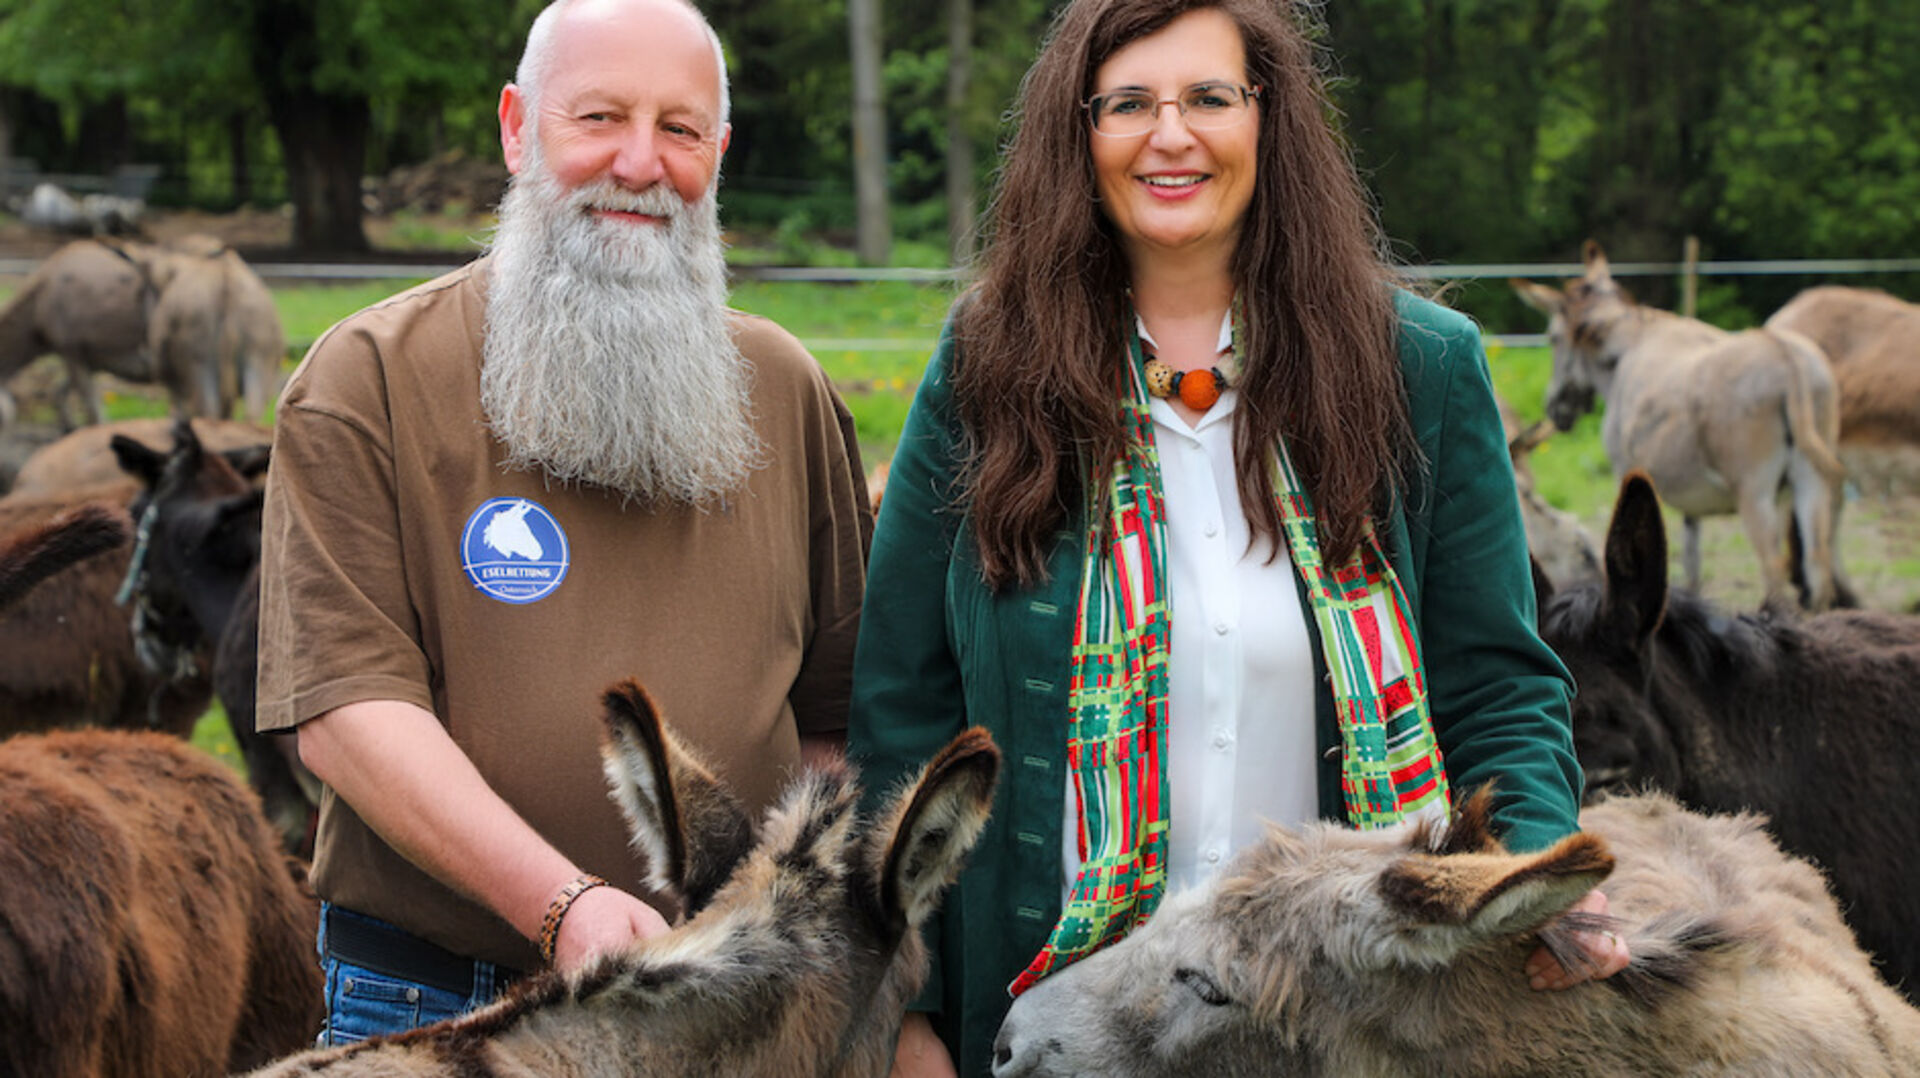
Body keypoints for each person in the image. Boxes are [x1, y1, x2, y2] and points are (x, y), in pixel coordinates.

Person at [846, 1, 1628, 1074]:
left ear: (1268, 119)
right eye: (1129, 103)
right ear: (1080, 134)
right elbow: (902, 712)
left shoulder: (1422, 370)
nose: (1172, 135)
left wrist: (1530, 880)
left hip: (1331, 1020)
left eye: (1209, 98)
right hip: (1052, 1020)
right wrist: (911, 1012)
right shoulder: (987, 367)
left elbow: (1499, 685)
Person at [255, 0, 871, 1045]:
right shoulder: (369, 381)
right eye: (598, 119)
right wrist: (562, 904)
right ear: (515, 126)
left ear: (718, 153)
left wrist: (789, 928)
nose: (640, 163)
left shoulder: (786, 389)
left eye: (681, 130)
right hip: (444, 1010)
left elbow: (834, 720)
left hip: (739, 1014)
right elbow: (347, 713)